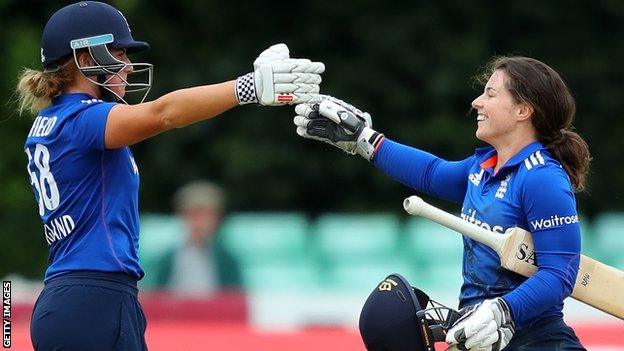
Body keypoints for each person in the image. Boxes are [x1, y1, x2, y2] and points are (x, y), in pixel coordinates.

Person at [18, 2, 324, 350]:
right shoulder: (82, 120)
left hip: (72, 299)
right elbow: (164, 114)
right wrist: (247, 88)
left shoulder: (52, 123)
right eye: (118, 54)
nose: (129, 67)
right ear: (86, 60)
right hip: (95, 299)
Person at [294, 57, 590, 350]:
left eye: (490, 93)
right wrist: (364, 140)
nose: (477, 102)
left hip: (538, 340)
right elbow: (430, 173)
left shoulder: (542, 178)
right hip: (481, 335)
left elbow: (559, 274)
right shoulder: (483, 168)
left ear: (523, 110)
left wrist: (502, 310)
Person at [159, 180, 241, 296]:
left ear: (216, 219)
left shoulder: (227, 259)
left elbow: (235, 297)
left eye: (205, 215)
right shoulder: (168, 258)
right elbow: (159, 295)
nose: (199, 222)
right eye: (193, 214)